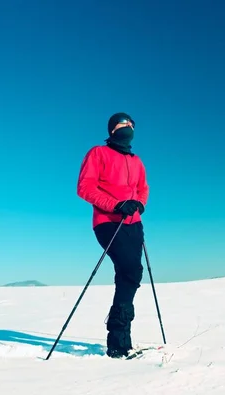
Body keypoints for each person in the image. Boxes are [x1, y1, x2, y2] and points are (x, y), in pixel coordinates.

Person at [76, 112, 149, 358]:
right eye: (121, 123)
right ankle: (117, 341)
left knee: (132, 273)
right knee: (129, 270)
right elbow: (85, 187)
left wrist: (139, 204)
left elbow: (142, 189)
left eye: (130, 124)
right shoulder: (98, 153)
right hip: (108, 221)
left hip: (133, 222)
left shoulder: (137, 161)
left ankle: (122, 340)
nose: (126, 126)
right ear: (111, 130)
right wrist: (116, 205)